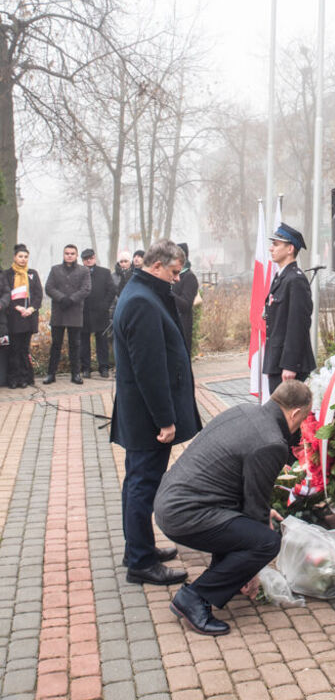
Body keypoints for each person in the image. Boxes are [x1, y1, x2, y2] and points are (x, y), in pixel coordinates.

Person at [155, 380, 312, 635]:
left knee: (250, 532)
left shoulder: (243, 411)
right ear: (295, 413)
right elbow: (253, 511)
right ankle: (194, 597)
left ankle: (221, 582)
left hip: (170, 501)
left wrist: (244, 566)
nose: (300, 425)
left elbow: (244, 493)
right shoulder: (272, 442)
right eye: (302, 419)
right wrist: (251, 568)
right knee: (267, 542)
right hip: (186, 513)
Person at [110, 239, 202, 586]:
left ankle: (137, 548)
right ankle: (141, 562)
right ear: (158, 266)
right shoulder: (142, 301)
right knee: (142, 485)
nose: (177, 279)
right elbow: (150, 369)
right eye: (175, 272)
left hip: (140, 414)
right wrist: (165, 420)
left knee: (137, 482)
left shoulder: (141, 292)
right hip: (148, 418)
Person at [262, 223, 315, 395]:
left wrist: (290, 365)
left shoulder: (295, 280)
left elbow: (297, 325)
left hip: (289, 366)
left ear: (290, 248)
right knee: (279, 418)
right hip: (278, 361)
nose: (271, 249)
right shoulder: (281, 277)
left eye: (276, 244)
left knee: (287, 419)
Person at [43, 244, 91, 385]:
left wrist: (71, 299)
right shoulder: (55, 269)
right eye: (67, 253)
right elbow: (49, 287)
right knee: (56, 345)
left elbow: (86, 289)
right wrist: (61, 298)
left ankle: (75, 374)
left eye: (72, 253)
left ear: (76, 255)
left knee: (75, 345)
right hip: (59, 312)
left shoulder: (84, 271)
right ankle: (51, 374)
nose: (69, 255)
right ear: (63, 255)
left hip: (75, 312)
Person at [2, 244, 43, 389]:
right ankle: (13, 378)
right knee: (14, 349)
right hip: (14, 317)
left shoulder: (32, 273)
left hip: (28, 317)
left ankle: (24, 378)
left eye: (25, 257)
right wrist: (17, 307)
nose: (23, 259)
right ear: (14, 257)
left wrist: (31, 309)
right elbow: (6, 294)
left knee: (24, 350)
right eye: (20, 256)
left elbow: (38, 295)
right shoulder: (7, 274)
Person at [79, 249, 116, 379]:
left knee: (102, 341)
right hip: (83, 313)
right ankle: (86, 368)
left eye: (90, 257)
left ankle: (104, 367)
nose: (88, 260)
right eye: (85, 258)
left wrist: (105, 305)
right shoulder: (79, 272)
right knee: (84, 342)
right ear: (82, 260)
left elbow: (112, 290)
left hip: (101, 313)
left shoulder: (104, 272)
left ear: (94, 258)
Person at [171, 242, 199, 355]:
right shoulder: (170, 275)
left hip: (182, 326)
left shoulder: (189, 277)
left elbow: (186, 305)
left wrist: (168, 293)